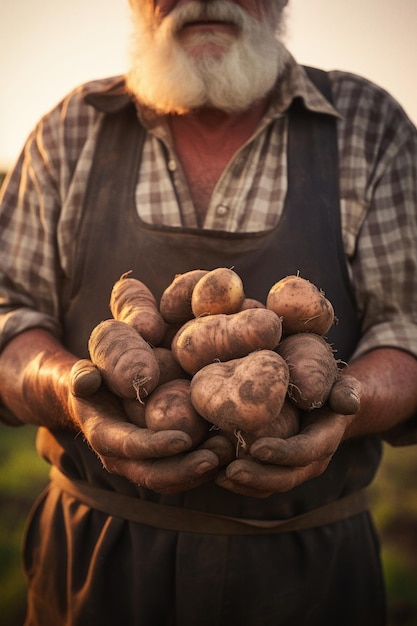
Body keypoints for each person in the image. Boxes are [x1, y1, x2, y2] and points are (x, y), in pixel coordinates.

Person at [0, 1, 416, 624]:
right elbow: (9, 315)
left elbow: (408, 330)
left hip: (309, 578)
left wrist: (341, 405)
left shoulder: (369, 125)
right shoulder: (69, 129)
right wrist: (68, 391)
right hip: (94, 569)